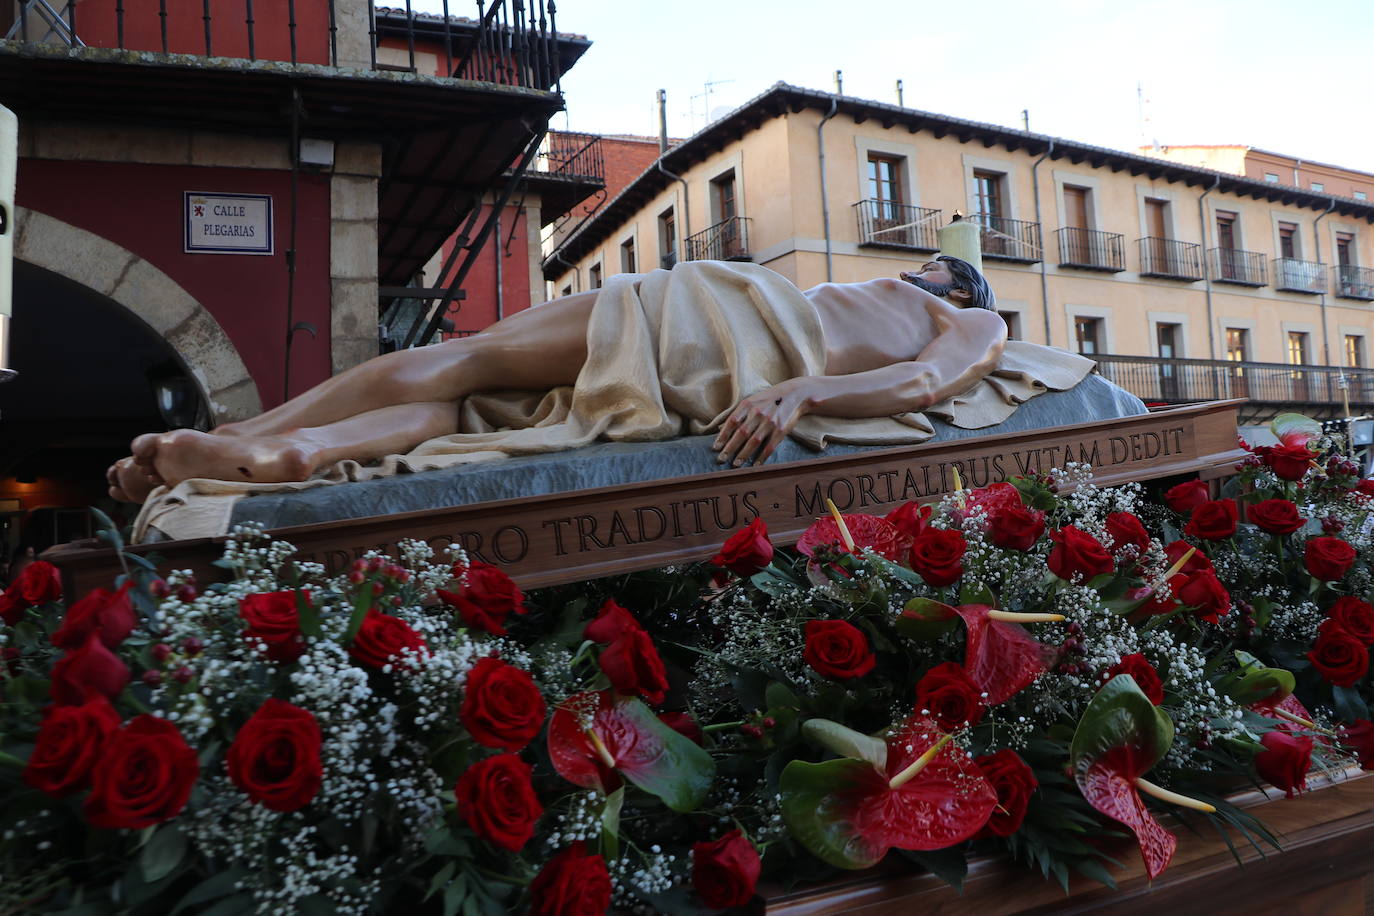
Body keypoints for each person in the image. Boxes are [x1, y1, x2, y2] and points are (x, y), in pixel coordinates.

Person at [108, 257, 1008, 503]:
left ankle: (237, 440)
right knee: (466, 407)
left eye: (941, 266)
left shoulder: (968, 318)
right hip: (723, 340)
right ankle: (296, 451)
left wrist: (801, 393)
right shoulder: (884, 294)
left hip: (717, 324)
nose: (925, 269)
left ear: (963, 289)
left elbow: (926, 386)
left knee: (456, 358)